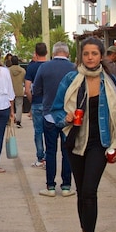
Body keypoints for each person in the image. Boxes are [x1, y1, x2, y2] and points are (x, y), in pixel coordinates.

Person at [51, 38, 116, 232]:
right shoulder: (71, 79)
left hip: (100, 142)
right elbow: (55, 108)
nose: (90, 57)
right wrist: (63, 117)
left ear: (101, 56)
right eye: (86, 54)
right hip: (76, 142)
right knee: (81, 190)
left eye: (94, 53)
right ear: (80, 56)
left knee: (89, 190)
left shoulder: (110, 81)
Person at [32, 42, 76, 197]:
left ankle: (50, 186)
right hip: (68, 117)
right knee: (67, 152)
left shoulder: (44, 67)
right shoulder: (74, 68)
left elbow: (35, 89)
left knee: (50, 151)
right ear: (68, 53)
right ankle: (66, 186)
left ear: (53, 52)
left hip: (49, 115)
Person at [24, 42, 48, 168]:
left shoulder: (31, 68)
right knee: (50, 132)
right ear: (47, 52)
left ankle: (40, 157)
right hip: (50, 104)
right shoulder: (50, 66)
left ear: (36, 53)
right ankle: (50, 157)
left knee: (38, 132)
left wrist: (31, 100)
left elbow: (27, 89)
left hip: (37, 103)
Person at [8, 56, 26, 128]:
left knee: (9, 105)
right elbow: (24, 81)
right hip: (19, 89)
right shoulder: (22, 70)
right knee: (19, 106)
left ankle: (10, 119)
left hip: (10, 90)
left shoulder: (7, 70)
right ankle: (18, 121)